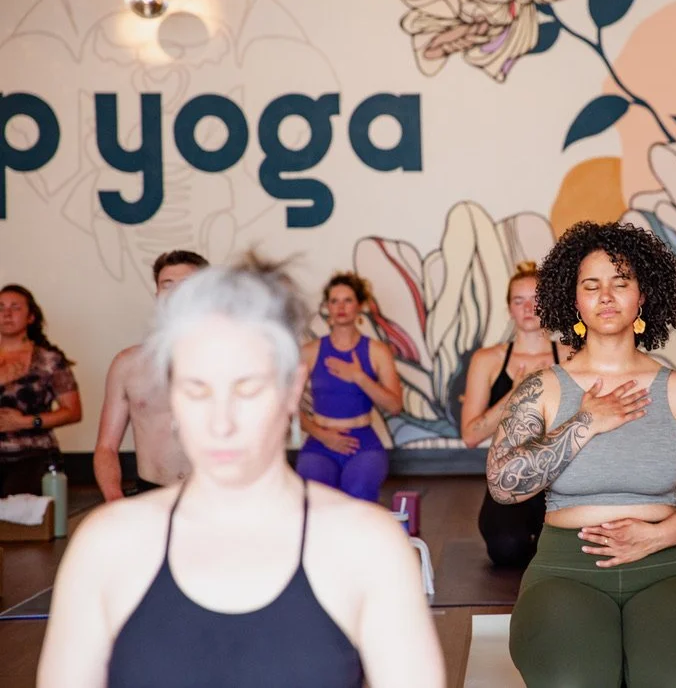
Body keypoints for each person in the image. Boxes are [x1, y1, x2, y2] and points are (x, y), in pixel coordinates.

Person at [38, 253, 444, 688]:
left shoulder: (367, 546)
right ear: (172, 394)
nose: (221, 422)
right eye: (197, 390)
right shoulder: (108, 545)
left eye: (247, 389)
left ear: (292, 390)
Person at [488, 221, 676, 687]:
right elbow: (504, 485)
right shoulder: (542, 389)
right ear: (576, 301)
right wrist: (585, 422)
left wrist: (658, 536)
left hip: (667, 562)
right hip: (568, 565)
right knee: (575, 679)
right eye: (592, 285)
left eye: (620, 282)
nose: (606, 296)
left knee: (674, 679)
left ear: (642, 296)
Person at [461, 261, 572, 567]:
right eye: (519, 300)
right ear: (509, 308)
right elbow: (471, 435)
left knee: (562, 553)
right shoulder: (488, 359)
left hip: (559, 475)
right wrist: (517, 392)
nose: (528, 308)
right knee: (506, 549)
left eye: (536, 299)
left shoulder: (570, 354)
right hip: (510, 474)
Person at [94, 250, 209, 500]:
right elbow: (106, 447)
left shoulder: (233, 358)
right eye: (167, 285)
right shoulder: (127, 365)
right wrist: (114, 498)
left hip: (216, 495)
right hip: (152, 493)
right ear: (157, 295)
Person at [296, 272, 403, 503]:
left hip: (363, 443)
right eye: (334, 301)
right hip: (320, 441)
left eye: (348, 300)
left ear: (360, 306)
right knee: (317, 499)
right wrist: (321, 435)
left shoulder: (377, 351)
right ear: (327, 307)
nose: (340, 307)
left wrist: (358, 376)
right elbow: (285, 405)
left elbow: (395, 406)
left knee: (358, 494)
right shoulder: (311, 351)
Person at [0, 284, 82, 496]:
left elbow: (72, 411)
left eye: (15, 307)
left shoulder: (49, 360)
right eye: (0, 307)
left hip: (32, 457)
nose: (6, 313)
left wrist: (27, 421)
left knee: (20, 523)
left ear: (31, 317)